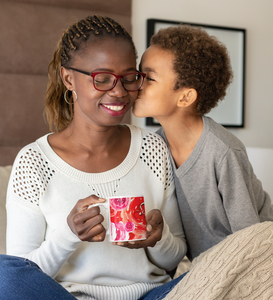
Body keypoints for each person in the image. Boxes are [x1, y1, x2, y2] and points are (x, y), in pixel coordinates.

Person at [0, 15, 187, 300]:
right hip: (71, 297)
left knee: (230, 262)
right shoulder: (34, 162)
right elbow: (21, 272)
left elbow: (175, 259)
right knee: (4, 273)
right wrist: (67, 234)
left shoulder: (152, 148)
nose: (119, 92)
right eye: (102, 79)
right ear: (68, 78)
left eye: (129, 78)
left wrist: (158, 239)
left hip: (151, 296)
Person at [133, 24, 273, 262]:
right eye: (139, 74)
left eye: (150, 78)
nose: (137, 84)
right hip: (201, 266)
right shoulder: (153, 147)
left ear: (185, 96)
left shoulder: (223, 151)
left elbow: (250, 239)